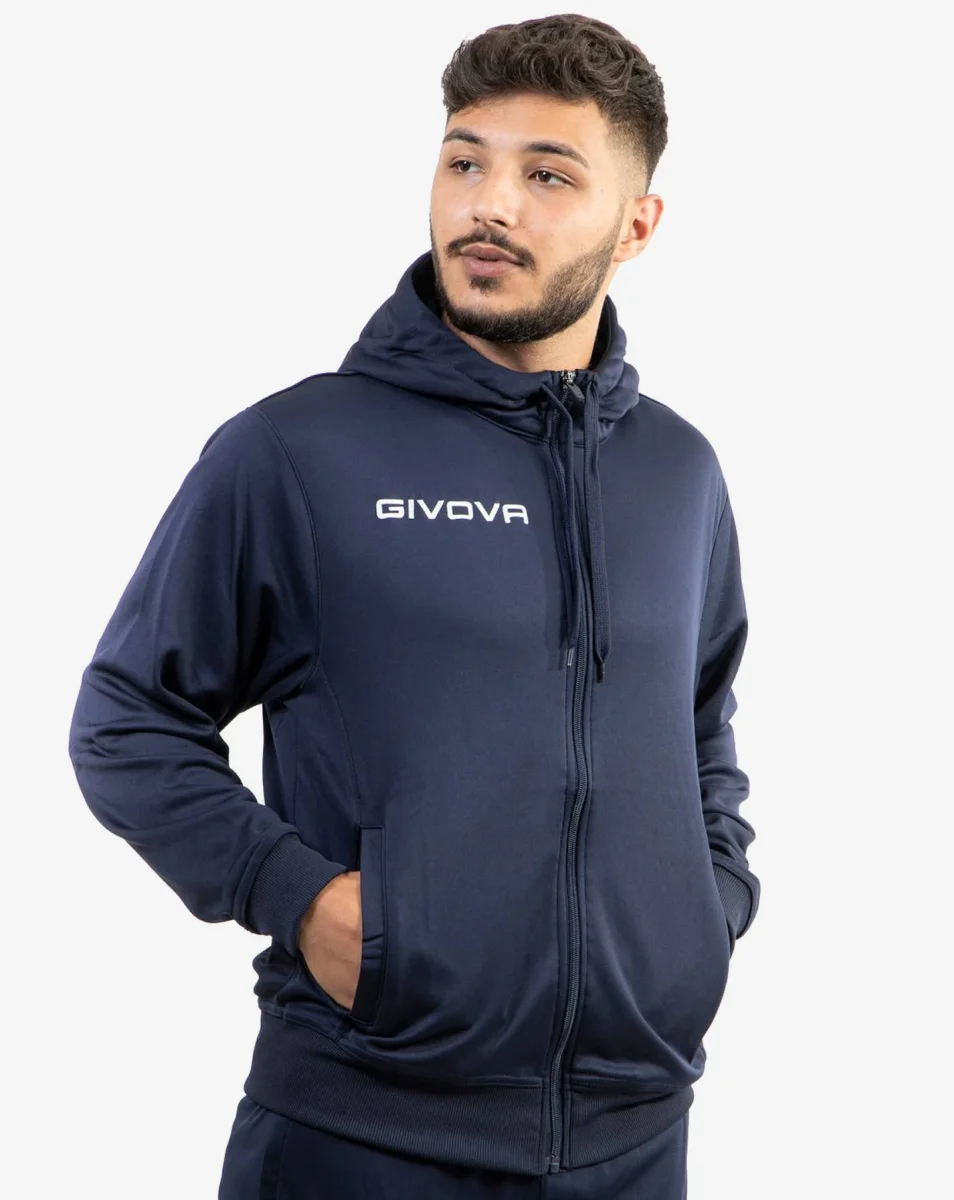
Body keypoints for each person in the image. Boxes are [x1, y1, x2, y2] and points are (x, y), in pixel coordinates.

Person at [68, 14, 760, 1198]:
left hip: (637, 1133)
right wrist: (297, 896)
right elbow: (127, 719)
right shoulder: (298, 451)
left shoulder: (679, 472)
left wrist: (711, 901)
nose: (490, 205)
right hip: (360, 1130)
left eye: (548, 175)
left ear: (638, 225)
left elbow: (699, 723)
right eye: (464, 162)